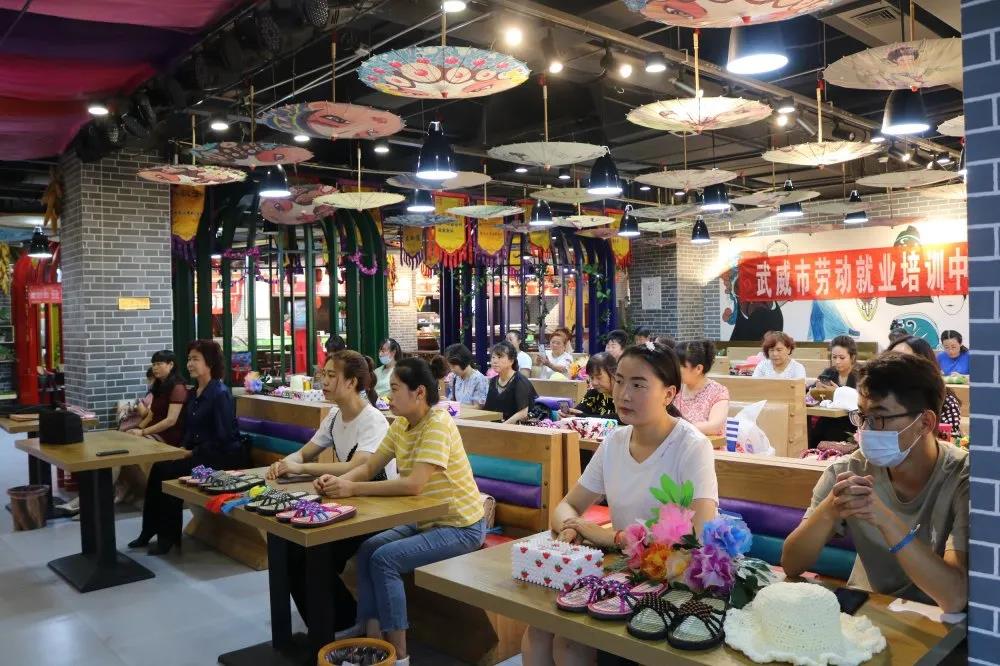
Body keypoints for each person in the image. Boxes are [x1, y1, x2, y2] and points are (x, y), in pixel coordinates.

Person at [522, 341, 719, 665]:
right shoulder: (614, 441)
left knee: (570, 644)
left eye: (639, 385)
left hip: (674, 576)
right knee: (539, 627)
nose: (624, 394)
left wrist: (608, 536)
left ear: (669, 394)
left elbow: (698, 536)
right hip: (623, 568)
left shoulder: (691, 446)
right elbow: (567, 506)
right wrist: (573, 528)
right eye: (620, 381)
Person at [314, 357, 486, 665]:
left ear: (419, 393)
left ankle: (399, 655)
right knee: (368, 550)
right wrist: (338, 482)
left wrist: (352, 489)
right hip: (426, 521)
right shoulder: (401, 425)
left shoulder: (438, 423)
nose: (387, 396)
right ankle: (370, 635)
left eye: (394, 389)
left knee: (385, 559)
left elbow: (414, 485)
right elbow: (369, 467)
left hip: (461, 526)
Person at [781, 352, 968, 613]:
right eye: (862, 416)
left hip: (937, 622)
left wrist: (885, 519)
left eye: (879, 418)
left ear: (925, 422)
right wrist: (830, 510)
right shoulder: (847, 471)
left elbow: (955, 598)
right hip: (866, 611)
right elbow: (791, 565)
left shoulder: (964, 478)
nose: (866, 430)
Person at [266, 350, 393, 637]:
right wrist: (285, 463)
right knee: (290, 548)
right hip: (349, 503)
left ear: (351, 382)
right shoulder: (335, 416)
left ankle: (340, 626)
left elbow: (359, 466)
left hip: (380, 510)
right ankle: (335, 624)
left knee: (311, 552)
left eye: (331, 375)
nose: (323, 381)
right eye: (323, 374)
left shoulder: (373, 420)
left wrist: (301, 468)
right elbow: (305, 452)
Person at [130, 340, 245, 555]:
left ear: (209, 363)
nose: (190, 364)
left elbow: (224, 437)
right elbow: (189, 431)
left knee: (169, 472)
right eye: (189, 359)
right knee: (159, 468)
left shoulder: (220, 393)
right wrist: (182, 448)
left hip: (220, 456)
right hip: (199, 452)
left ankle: (168, 537)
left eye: (195, 359)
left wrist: (191, 452)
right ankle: (149, 530)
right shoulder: (194, 393)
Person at [888, 336, 963, 436]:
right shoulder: (880, 397)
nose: (895, 367)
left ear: (926, 365)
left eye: (905, 361)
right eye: (891, 359)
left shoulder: (946, 402)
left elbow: (948, 439)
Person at [127, 350, 188, 445]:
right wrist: (138, 428)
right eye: (153, 364)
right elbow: (151, 415)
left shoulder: (178, 387)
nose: (155, 368)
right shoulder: (158, 385)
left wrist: (143, 432)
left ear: (171, 365)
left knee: (135, 445)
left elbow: (171, 420)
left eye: (159, 364)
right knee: (126, 439)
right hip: (153, 431)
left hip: (168, 434)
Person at [808, 336, 859, 448]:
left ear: (852, 357)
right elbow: (812, 390)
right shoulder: (829, 372)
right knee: (814, 435)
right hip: (829, 419)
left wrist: (839, 392)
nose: (837, 361)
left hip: (851, 422)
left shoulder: (862, 374)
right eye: (834, 357)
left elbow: (861, 400)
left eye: (842, 358)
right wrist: (816, 389)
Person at [674, 340, 730, 436]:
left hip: (707, 443)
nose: (674, 370)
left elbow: (714, 427)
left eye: (679, 366)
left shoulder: (718, 392)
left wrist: (675, 428)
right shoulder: (675, 388)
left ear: (698, 369)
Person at [484, 341, 538, 424]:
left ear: (511, 361)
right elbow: (489, 409)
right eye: (493, 357)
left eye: (500, 357)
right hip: (496, 425)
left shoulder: (520, 381)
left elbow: (523, 413)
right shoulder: (493, 381)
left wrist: (502, 427)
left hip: (515, 427)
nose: (495, 361)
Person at [558, 352, 618, 420]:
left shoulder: (622, 396)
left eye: (599, 377)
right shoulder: (593, 394)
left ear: (613, 373)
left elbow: (620, 418)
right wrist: (569, 414)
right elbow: (579, 412)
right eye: (591, 378)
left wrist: (582, 417)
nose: (594, 383)